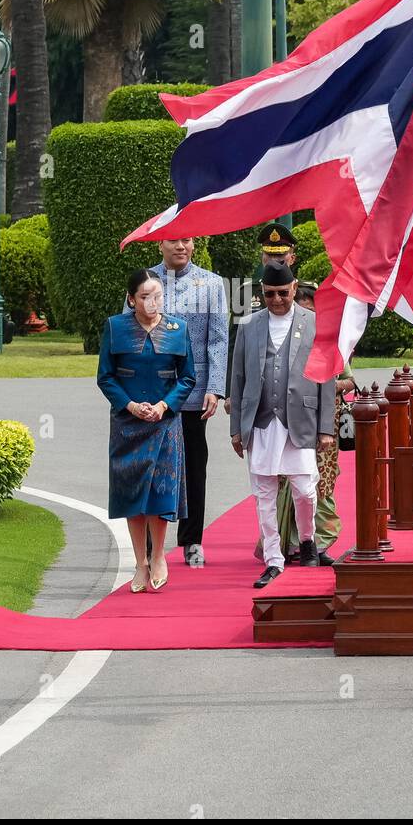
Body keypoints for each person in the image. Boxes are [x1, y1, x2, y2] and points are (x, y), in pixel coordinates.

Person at [228, 259, 336, 589]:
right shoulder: (248, 326)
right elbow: (238, 377)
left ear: (294, 288)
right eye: (270, 293)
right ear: (262, 292)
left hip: (299, 420)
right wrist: (235, 427)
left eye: (283, 293)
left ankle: (307, 540)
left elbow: (326, 376)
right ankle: (274, 558)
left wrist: (326, 427)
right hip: (259, 422)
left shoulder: (315, 323)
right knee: (264, 494)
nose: (277, 300)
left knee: (305, 490)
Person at [125, 237, 228, 567]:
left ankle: (192, 539)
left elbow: (218, 339)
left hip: (194, 392)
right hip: (152, 392)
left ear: (194, 244)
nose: (180, 246)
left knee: (193, 466)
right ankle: (153, 544)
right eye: (173, 241)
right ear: (160, 246)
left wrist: (215, 386)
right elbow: (127, 334)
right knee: (153, 467)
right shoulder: (145, 282)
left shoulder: (211, 284)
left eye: (186, 240)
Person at [98, 270, 196, 593]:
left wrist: (164, 406)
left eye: (157, 296)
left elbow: (187, 378)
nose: (152, 303)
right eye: (144, 297)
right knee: (132, 492)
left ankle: (159, 557)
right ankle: (140, 562)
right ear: (131, 299)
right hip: (128, 424)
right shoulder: (115, 328)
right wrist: (130, 406)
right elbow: (106, 377)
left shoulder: (178, 330)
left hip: (165, 423)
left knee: (160, 491)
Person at [274, 281, 352, 566]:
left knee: (322, 483)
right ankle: (292, 545)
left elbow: (349, 378)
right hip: (291, 419)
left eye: (311, 310)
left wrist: (323, 385)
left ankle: (319, 545)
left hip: (325, 421)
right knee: (290, 481)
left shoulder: (328, 340)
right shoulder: (282, 340)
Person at [226, 222, 297, 409]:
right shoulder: (245, 294)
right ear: (262, 257)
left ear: (292, 258)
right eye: (270, 254)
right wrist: (230, 393)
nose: (274, 259)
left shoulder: (308, 293)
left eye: (280, 255)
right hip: (255, 387)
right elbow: (234, 346)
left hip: (296, 388)